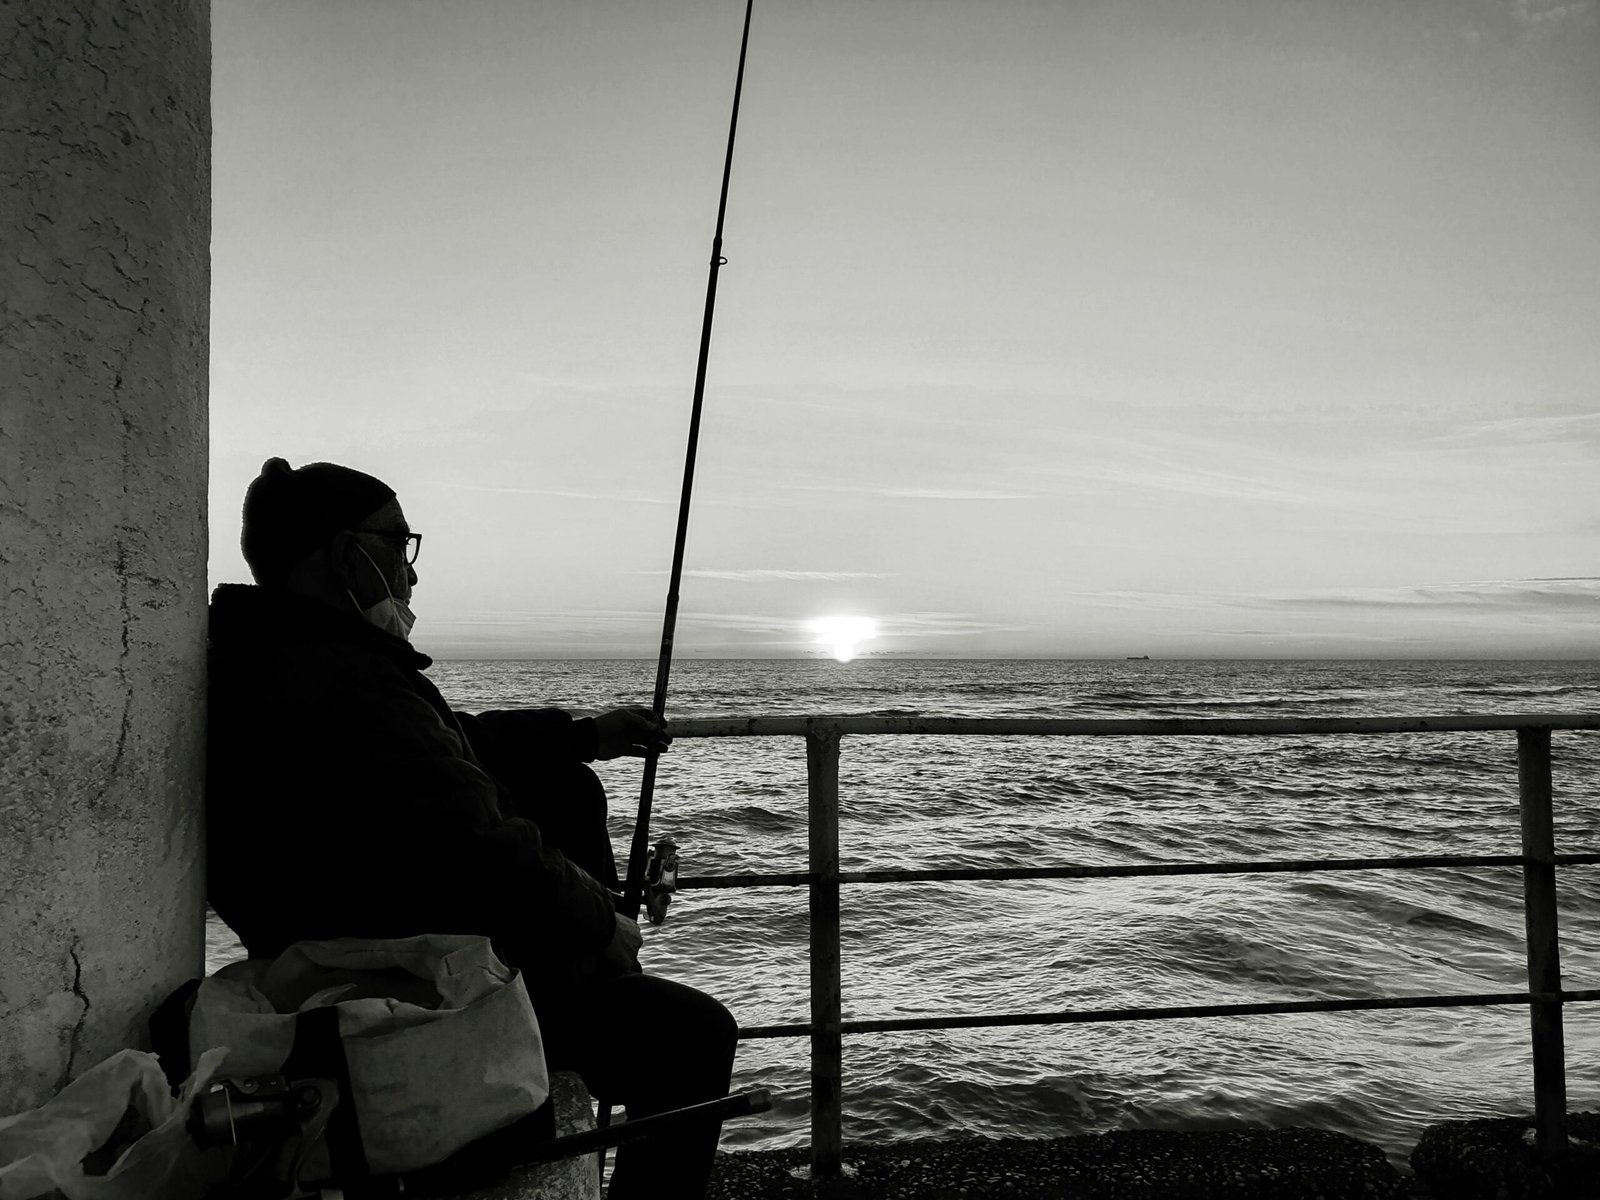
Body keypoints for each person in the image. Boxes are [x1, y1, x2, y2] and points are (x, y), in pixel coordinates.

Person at [206, 456, 737, 1200]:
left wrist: (585, 735)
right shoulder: (346, 683)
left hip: (358, 945)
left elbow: (455, 742)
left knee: (564, 784)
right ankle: (605, 992)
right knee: (695, 1035)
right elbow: (480, 847)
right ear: (345, 554)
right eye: (399, 544)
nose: (411, 573)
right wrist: (602, 923)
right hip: (411, 982)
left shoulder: (287, 659)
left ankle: (603, 984)